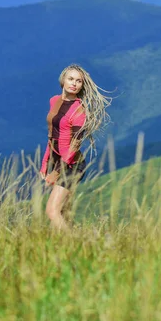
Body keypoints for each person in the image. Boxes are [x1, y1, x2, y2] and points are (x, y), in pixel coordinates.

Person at [40, 64, 111, 230]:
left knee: (51, 211)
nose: (74, 83)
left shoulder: (79, 110)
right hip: (57, 161)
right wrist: (45, 164)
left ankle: (73, 243)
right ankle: (78, 246)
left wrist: (56, 172)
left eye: (79, 81)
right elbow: (52, 135)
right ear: (63, 80)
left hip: (72, 165)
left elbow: (75, 144)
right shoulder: (54, 101)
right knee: (64, 213)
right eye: (71, 79)